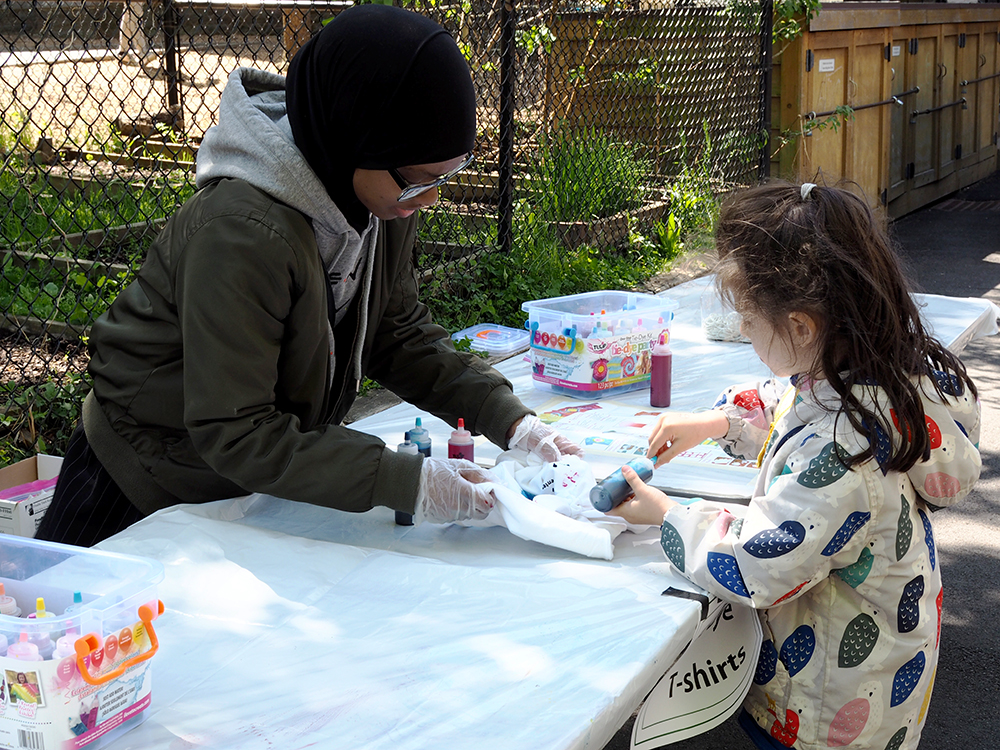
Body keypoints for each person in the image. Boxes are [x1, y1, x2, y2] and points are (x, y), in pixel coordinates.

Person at [38, 5, 579, 548]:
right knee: (73, 628)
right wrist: (406, 481)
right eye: (418, 182)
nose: (429, 200)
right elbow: (239, 431)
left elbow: (397, 332)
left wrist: (510, 421)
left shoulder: (378, 198)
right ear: (353, 141)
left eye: (444, 176)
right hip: (140, 482)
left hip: (242, 479)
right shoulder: (242, 234)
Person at [609, 182, 981, 750]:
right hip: (876, 677)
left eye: (751, 325)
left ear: (803, 327)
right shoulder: (876, 382)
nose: (747, 337)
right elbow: (795, 409)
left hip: (828, 708)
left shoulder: (841, 449)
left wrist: (667, 518)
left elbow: (758, 566)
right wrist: (724, 423)